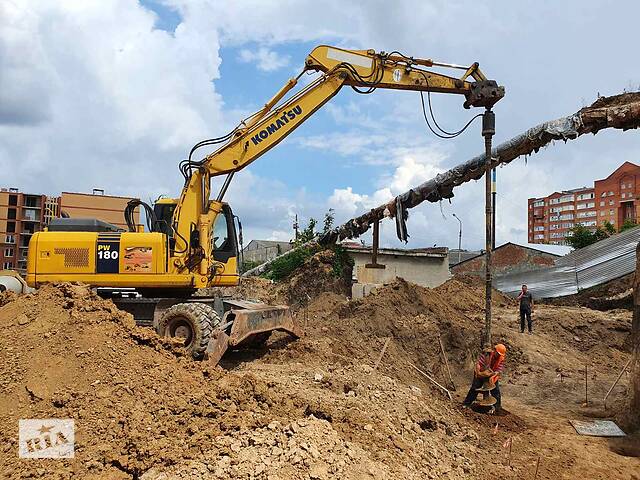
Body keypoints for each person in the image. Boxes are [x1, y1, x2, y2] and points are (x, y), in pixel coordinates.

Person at [462, 343, 506, 412]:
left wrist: (493, 375)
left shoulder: (501, 358)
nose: (499, 355)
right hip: (481, 373)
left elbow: (499, 370)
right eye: (498, 353)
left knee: (496, 390)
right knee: (475, 388)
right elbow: (478, 364)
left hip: (491, 374)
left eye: (500, 355)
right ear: (494, 350)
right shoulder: (486, 355)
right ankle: (466, 404)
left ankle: (497, 407)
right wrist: (479, 373)